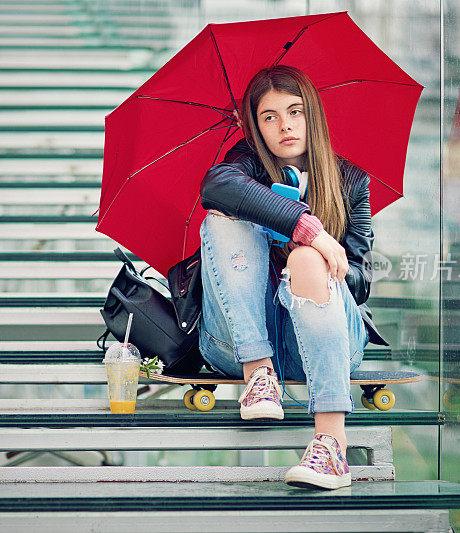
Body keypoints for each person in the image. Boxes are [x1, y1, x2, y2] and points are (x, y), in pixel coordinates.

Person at [194, 65, 387, 490]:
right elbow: (215, 186)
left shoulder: (351, 179)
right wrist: (306, 227)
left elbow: (360, 280)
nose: (284, 126)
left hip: (324, 345)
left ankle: (332, 447)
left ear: (311, 114)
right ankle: (259, 375)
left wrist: (308, 266)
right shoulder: (243, 166)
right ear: (255, 126)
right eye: (269, 117)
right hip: (242, 343)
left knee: (306, 262)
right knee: (224, 220)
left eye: (294, 112)